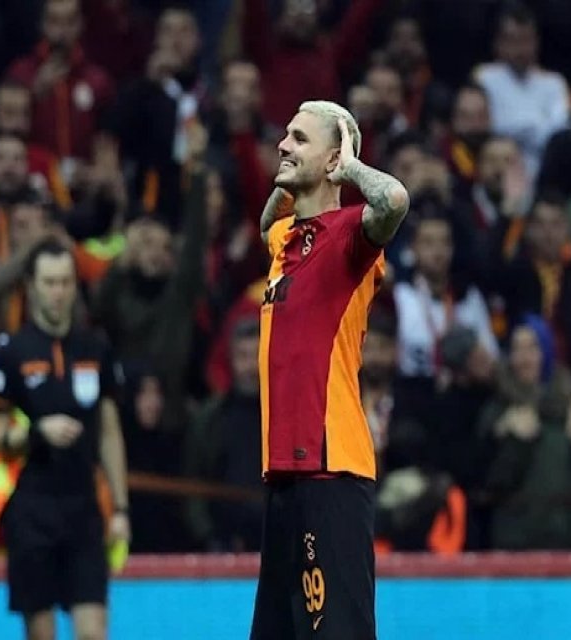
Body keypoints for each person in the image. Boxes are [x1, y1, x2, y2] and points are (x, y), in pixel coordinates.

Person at [250, 100, 409, 640]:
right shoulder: (286, 243)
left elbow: (394, 199)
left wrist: (350, 167)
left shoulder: (348, 237)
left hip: (331, 471)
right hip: (284, 477)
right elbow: (266, 225)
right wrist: (291, 182)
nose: (283, 144)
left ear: (334, 158)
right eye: (285, 134)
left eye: (299, 139)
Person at [0, 239, 129, 640]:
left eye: (65, 282)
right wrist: (37, 432)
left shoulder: (95, 348)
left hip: (83, 509)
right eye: (49, 282)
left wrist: (120, 508)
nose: (58, 292)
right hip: (31, 512)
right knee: (41, 633)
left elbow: (110, 433)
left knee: (92, 631)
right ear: (31, 286)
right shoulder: (8, 354)